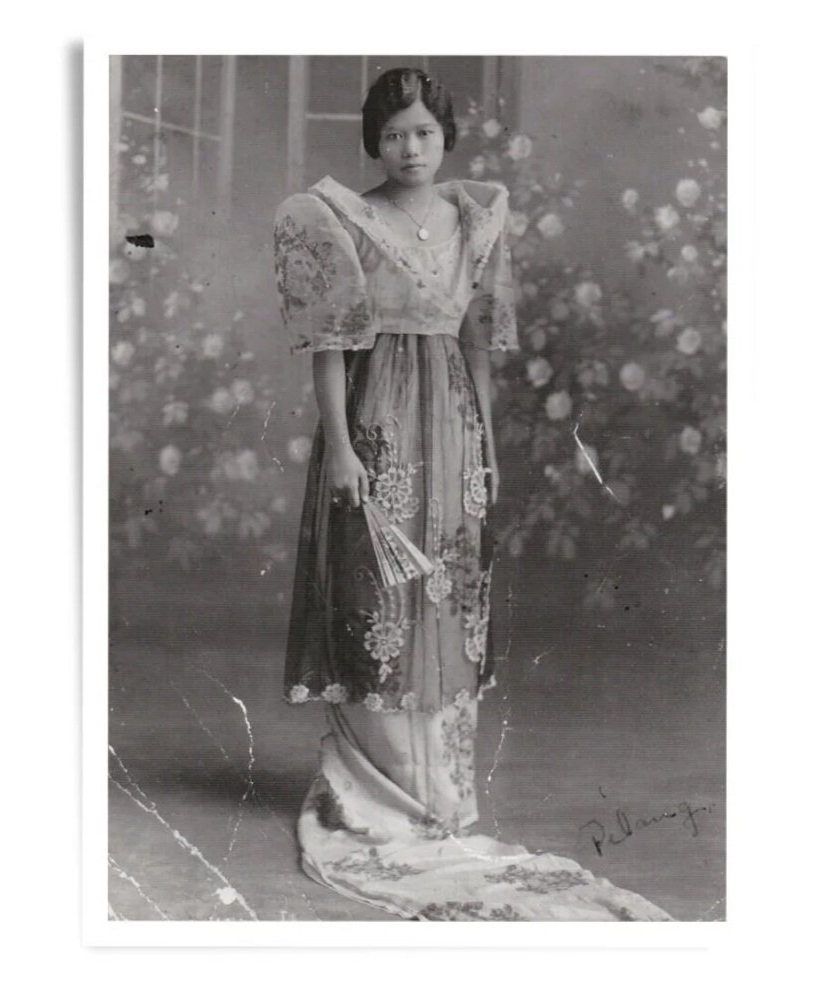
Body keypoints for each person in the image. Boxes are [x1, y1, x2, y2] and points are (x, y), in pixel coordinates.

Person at [273, 67, 670, 920]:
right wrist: (341, 448)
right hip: (377, 414)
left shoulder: (474, 217)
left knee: (446, 593)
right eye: (391, 135)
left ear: (445, 136)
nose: (407, 149)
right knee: (378, 595)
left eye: (421, 132)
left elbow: (480, 341)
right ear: (371, 143)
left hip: (451, 420)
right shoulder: (345, 216)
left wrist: (484, 442)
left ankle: (440, 795)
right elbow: (331, 348)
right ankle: (375, 796)